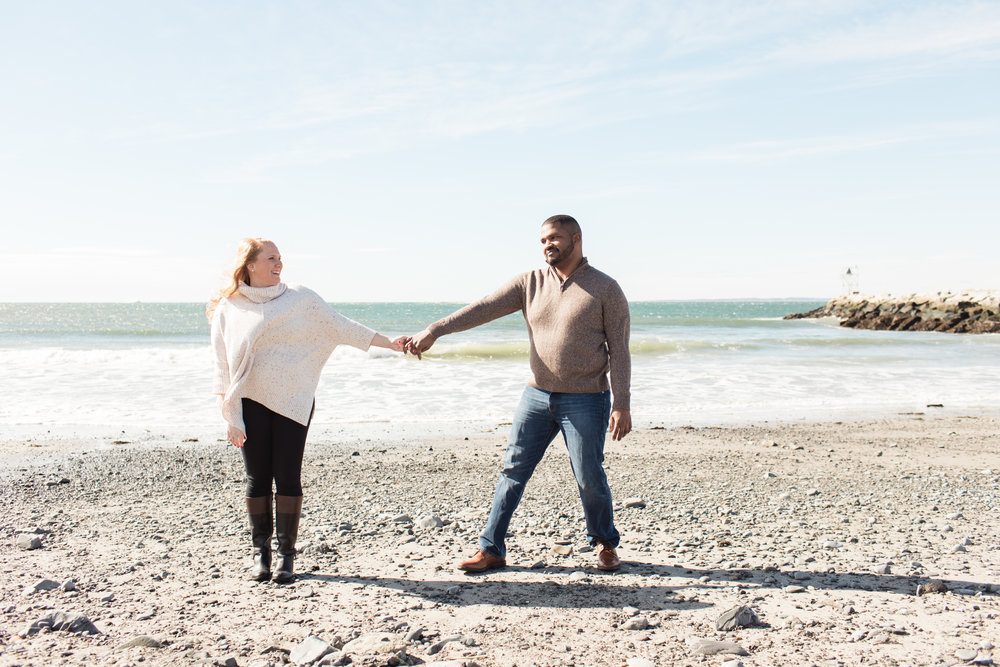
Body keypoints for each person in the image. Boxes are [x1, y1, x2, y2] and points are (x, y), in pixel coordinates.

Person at [402, 215, 631, 572]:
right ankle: (492, 548)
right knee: (513, 469)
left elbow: (619, 349)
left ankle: (604, 542)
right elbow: (482, 308)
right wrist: (436, 330)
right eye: (542, 241)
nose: (547, 246)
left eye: (554, 238)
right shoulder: (530, 283)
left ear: (576, 238)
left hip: (586, 398)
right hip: (537, 397)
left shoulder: (605, 288)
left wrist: (622, 403)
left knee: (588, 473)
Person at [208, 238, 404, 583]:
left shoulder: (300, 298)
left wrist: (390, 342)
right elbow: (222, 367)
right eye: (271, 258)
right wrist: (230, 415)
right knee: (256, 478)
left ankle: (286, 555)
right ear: (250, 265)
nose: (278, 264)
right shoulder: (230, 307)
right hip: (249, 401)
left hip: (293, 400)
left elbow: (341, 326)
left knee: (287, 475)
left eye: (280, 258)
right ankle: (261, 554)